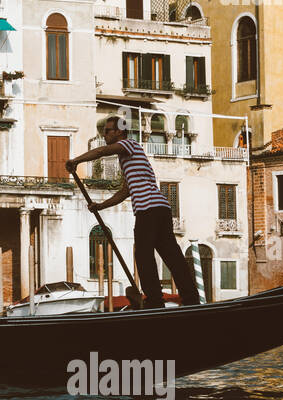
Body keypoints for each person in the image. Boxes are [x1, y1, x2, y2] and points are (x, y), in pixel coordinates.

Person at [67, 114, 201, 309]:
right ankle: (191, 298)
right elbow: (125, 191)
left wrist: (76, 161)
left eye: (107, 131)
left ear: (119, 131)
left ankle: (155, 301)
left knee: (144, 255)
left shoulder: (130, 145)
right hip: (160, 208)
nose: (104, 135)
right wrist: (100, 206)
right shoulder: (129, 160)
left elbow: (103, 151)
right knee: (171, 255)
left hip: (148, 210)